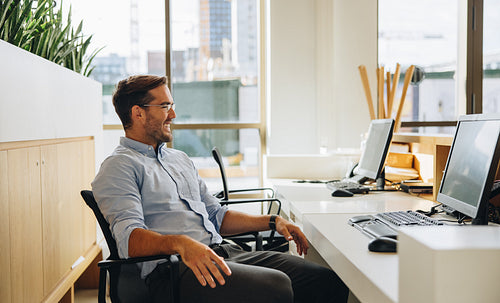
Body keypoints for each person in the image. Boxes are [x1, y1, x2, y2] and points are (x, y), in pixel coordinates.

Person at [92, 75, 349, 303]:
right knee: (276, 287)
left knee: (325, 280)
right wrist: (181, 244)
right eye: (165, 106)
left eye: (172, 105)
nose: (173, 114)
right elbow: (129, 240)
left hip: (223, 252)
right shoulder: (119, 167)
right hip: (176, 272)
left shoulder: (179, 159)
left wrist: (273, 221)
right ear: (138, 113)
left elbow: (217, 216)